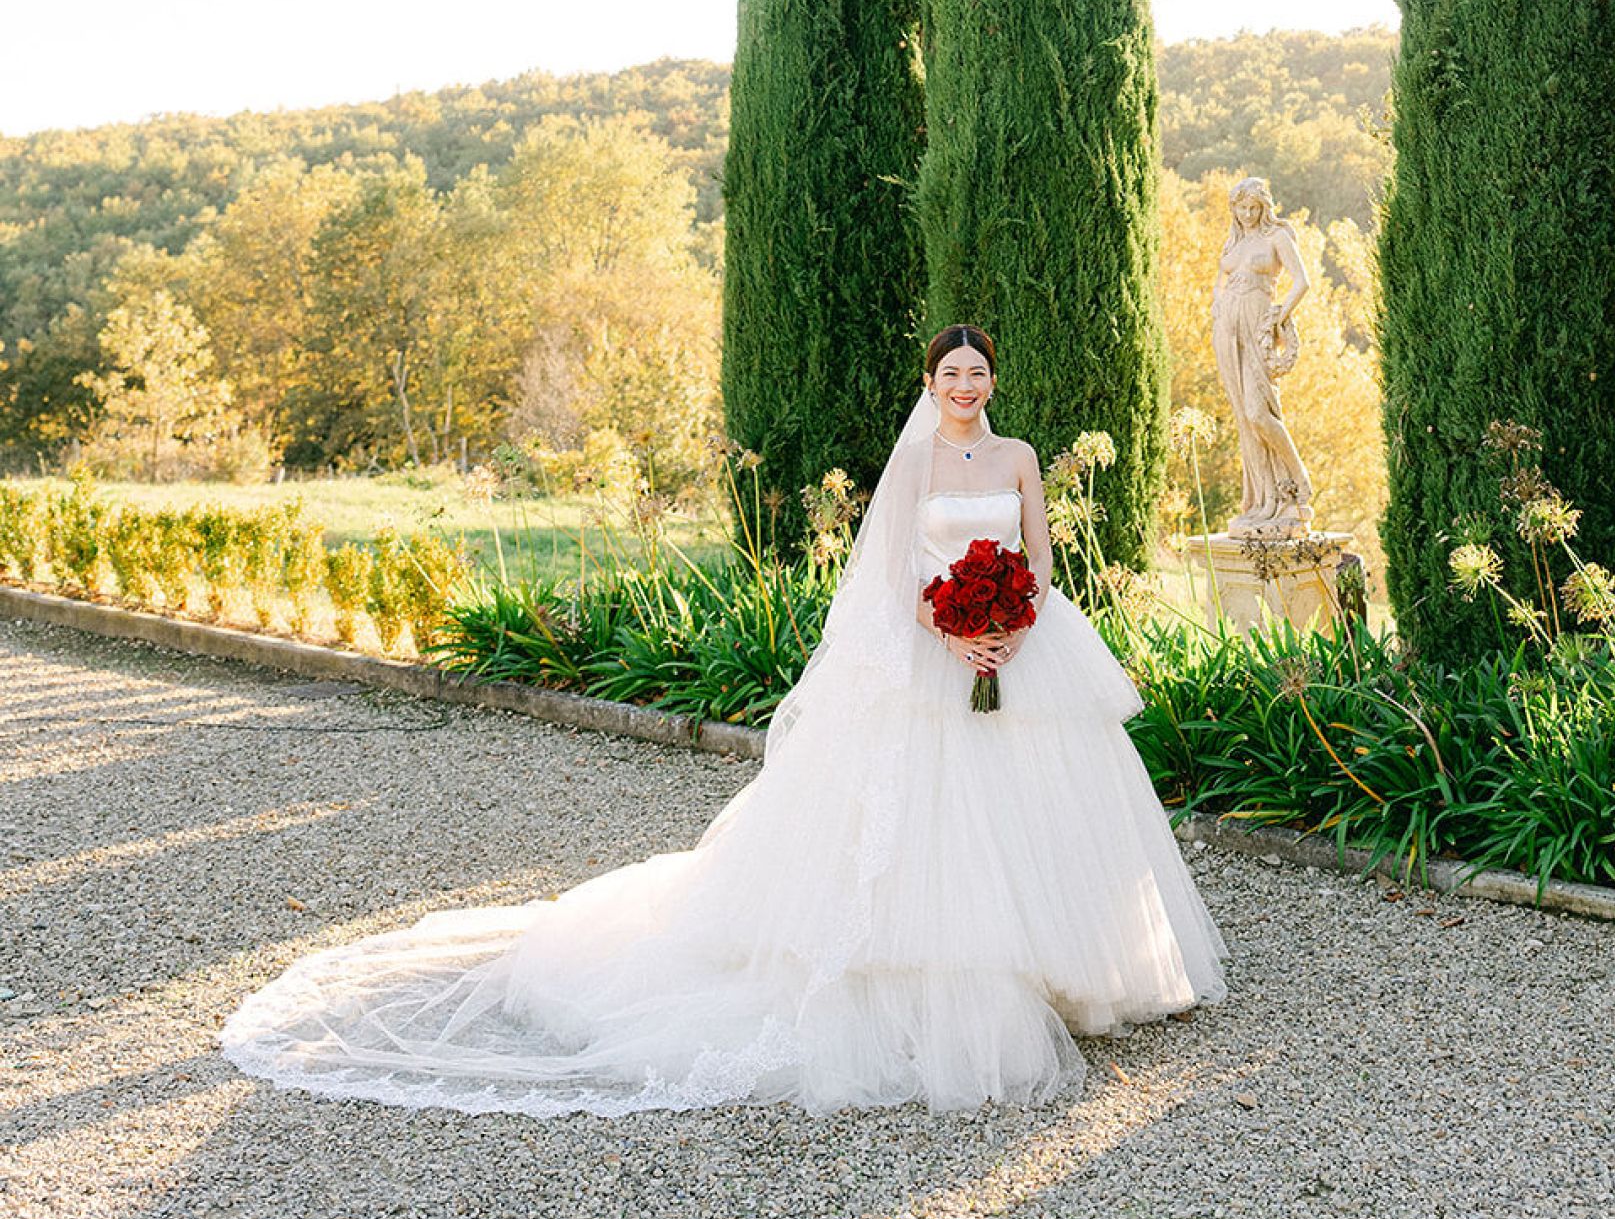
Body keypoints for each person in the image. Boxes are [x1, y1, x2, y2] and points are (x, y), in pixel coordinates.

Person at [219, 324, 1226, 1118]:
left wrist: (1010, 619)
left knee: (1036, 800)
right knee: (927, 817)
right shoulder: (916, 467)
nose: (965, 386)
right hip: (934, 649)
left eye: (977, 372)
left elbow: (1043, 558)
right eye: (950, 373)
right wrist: (951, 626)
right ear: (930, 386)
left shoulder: (1017, 455)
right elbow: (891, 570)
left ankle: (1070, 966)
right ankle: (940, 975)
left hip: (1019, 642)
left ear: (992, 381)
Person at [1211, 177, 1314, 536]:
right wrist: (1217, 304)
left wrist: (1279, 317)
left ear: (1264, 207)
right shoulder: (1234, 241)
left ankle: (1298, 481)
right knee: (1243, 417)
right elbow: (1220, 280)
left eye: (1255, 207)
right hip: (1227, 330)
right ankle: (1262, 502)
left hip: (1258, 325)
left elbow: (1302, 281)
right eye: (1242, 208)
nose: (1249, 213)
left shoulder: (1277, 237)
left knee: (1260, 412)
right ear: (1234, 209)